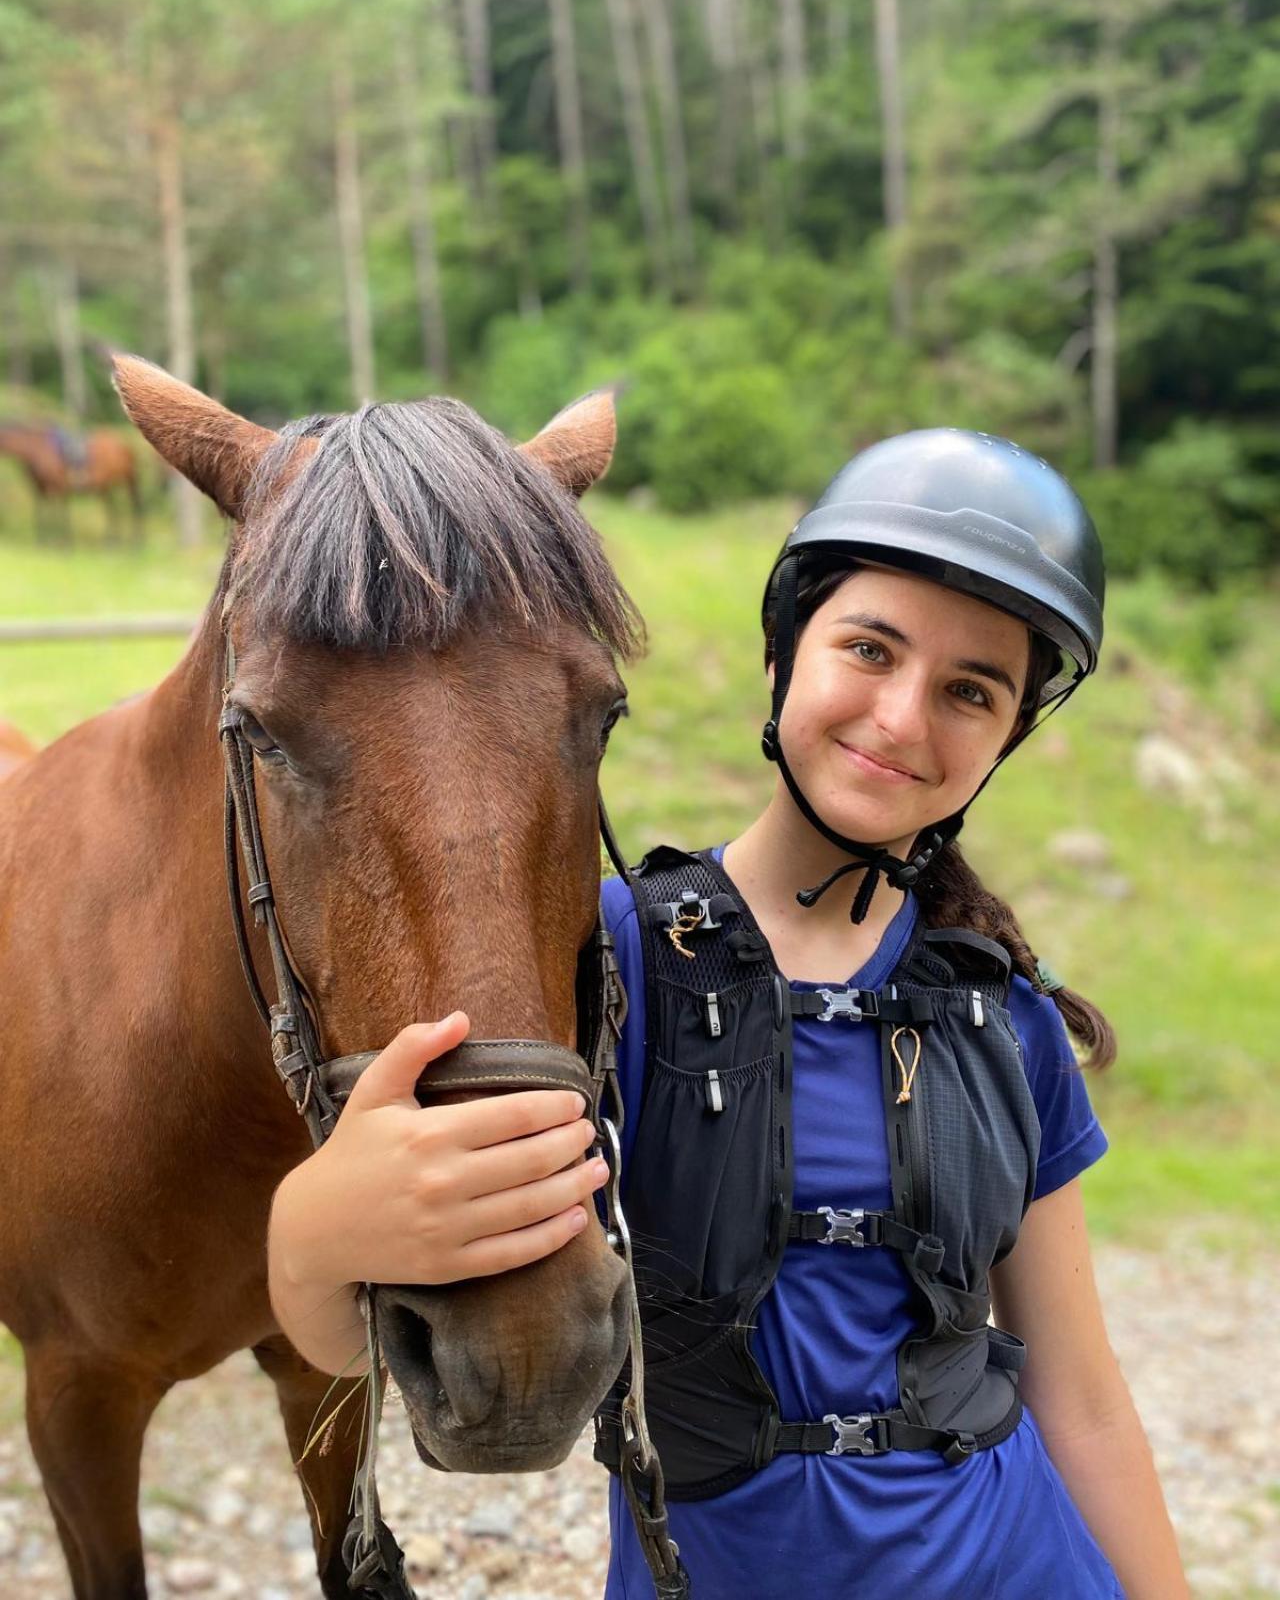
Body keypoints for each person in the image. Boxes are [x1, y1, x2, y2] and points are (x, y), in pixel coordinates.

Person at [269, 429, 1188, 1599]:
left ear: (1006, 734)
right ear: (781, 650)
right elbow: (359, 1336)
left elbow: (1082, 1395)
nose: (901, 716)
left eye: (970, 689)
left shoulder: (1001, 1011)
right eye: (869, 647)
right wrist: (306, 1229)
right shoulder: (609, 959)